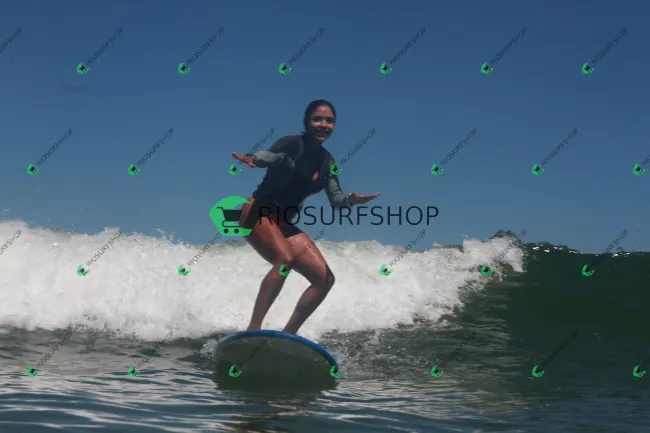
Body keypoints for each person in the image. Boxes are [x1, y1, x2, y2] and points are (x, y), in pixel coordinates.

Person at [231, 100, 380, 335]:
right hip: (258, 211)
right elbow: (270, 156)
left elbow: (337, 200)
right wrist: (254, 159)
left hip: (283, 223)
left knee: (324, 279)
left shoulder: (328, 161)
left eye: (329, 121)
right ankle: (253, 329)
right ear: (307, 122)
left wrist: (352, 200)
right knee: (284, 259)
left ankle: (288, 336)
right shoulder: (292, 143)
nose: (324, 125)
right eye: (317, 119)